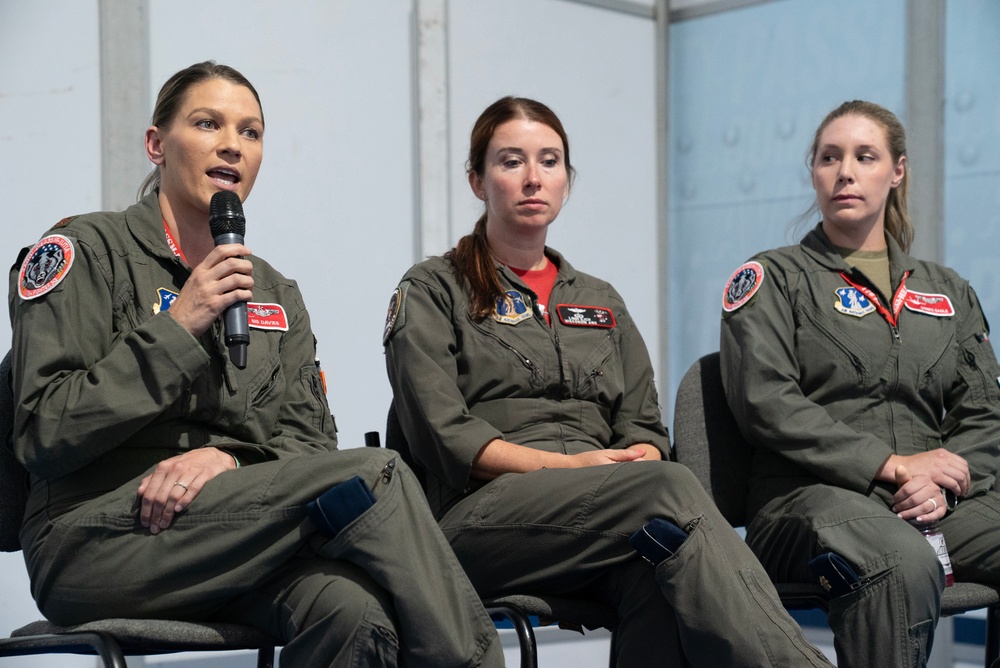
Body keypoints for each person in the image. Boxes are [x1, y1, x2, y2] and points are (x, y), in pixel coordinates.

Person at [8, 61, 503, 668]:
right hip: (95, 538)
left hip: (233, 525)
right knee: (378, 475)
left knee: (349, 610)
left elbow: (312, 444)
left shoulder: (272, 290)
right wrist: (178, 327)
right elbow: (43, 430)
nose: (231, 146)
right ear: (156, 144)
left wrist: (230, 459)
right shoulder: (85, 251)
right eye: (208, 123)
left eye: (250, 132)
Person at [382, 95, 832, 667]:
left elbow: (643, 423)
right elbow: (441, 433)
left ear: (567, 181)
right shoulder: (432, 288)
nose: (532, 178)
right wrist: (571, 468)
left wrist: (639, 452)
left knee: (663, 569)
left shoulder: (599, 299)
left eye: (549, 161)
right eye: (510, 161)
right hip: (481, 520)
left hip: (601, 512)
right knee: (665, 491)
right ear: (477, 180)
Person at [719, 100, 1000, 668]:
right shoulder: (773, 278)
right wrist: (894, 466)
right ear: (815, 172)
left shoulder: (948, 290)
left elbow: (986, 413)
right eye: (829, 157)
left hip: (932, 503)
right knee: (898, 558)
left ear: (896, 171)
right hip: (805, 501)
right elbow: (767, 403)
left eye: (864, 156)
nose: (844, 171)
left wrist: (943, 482)